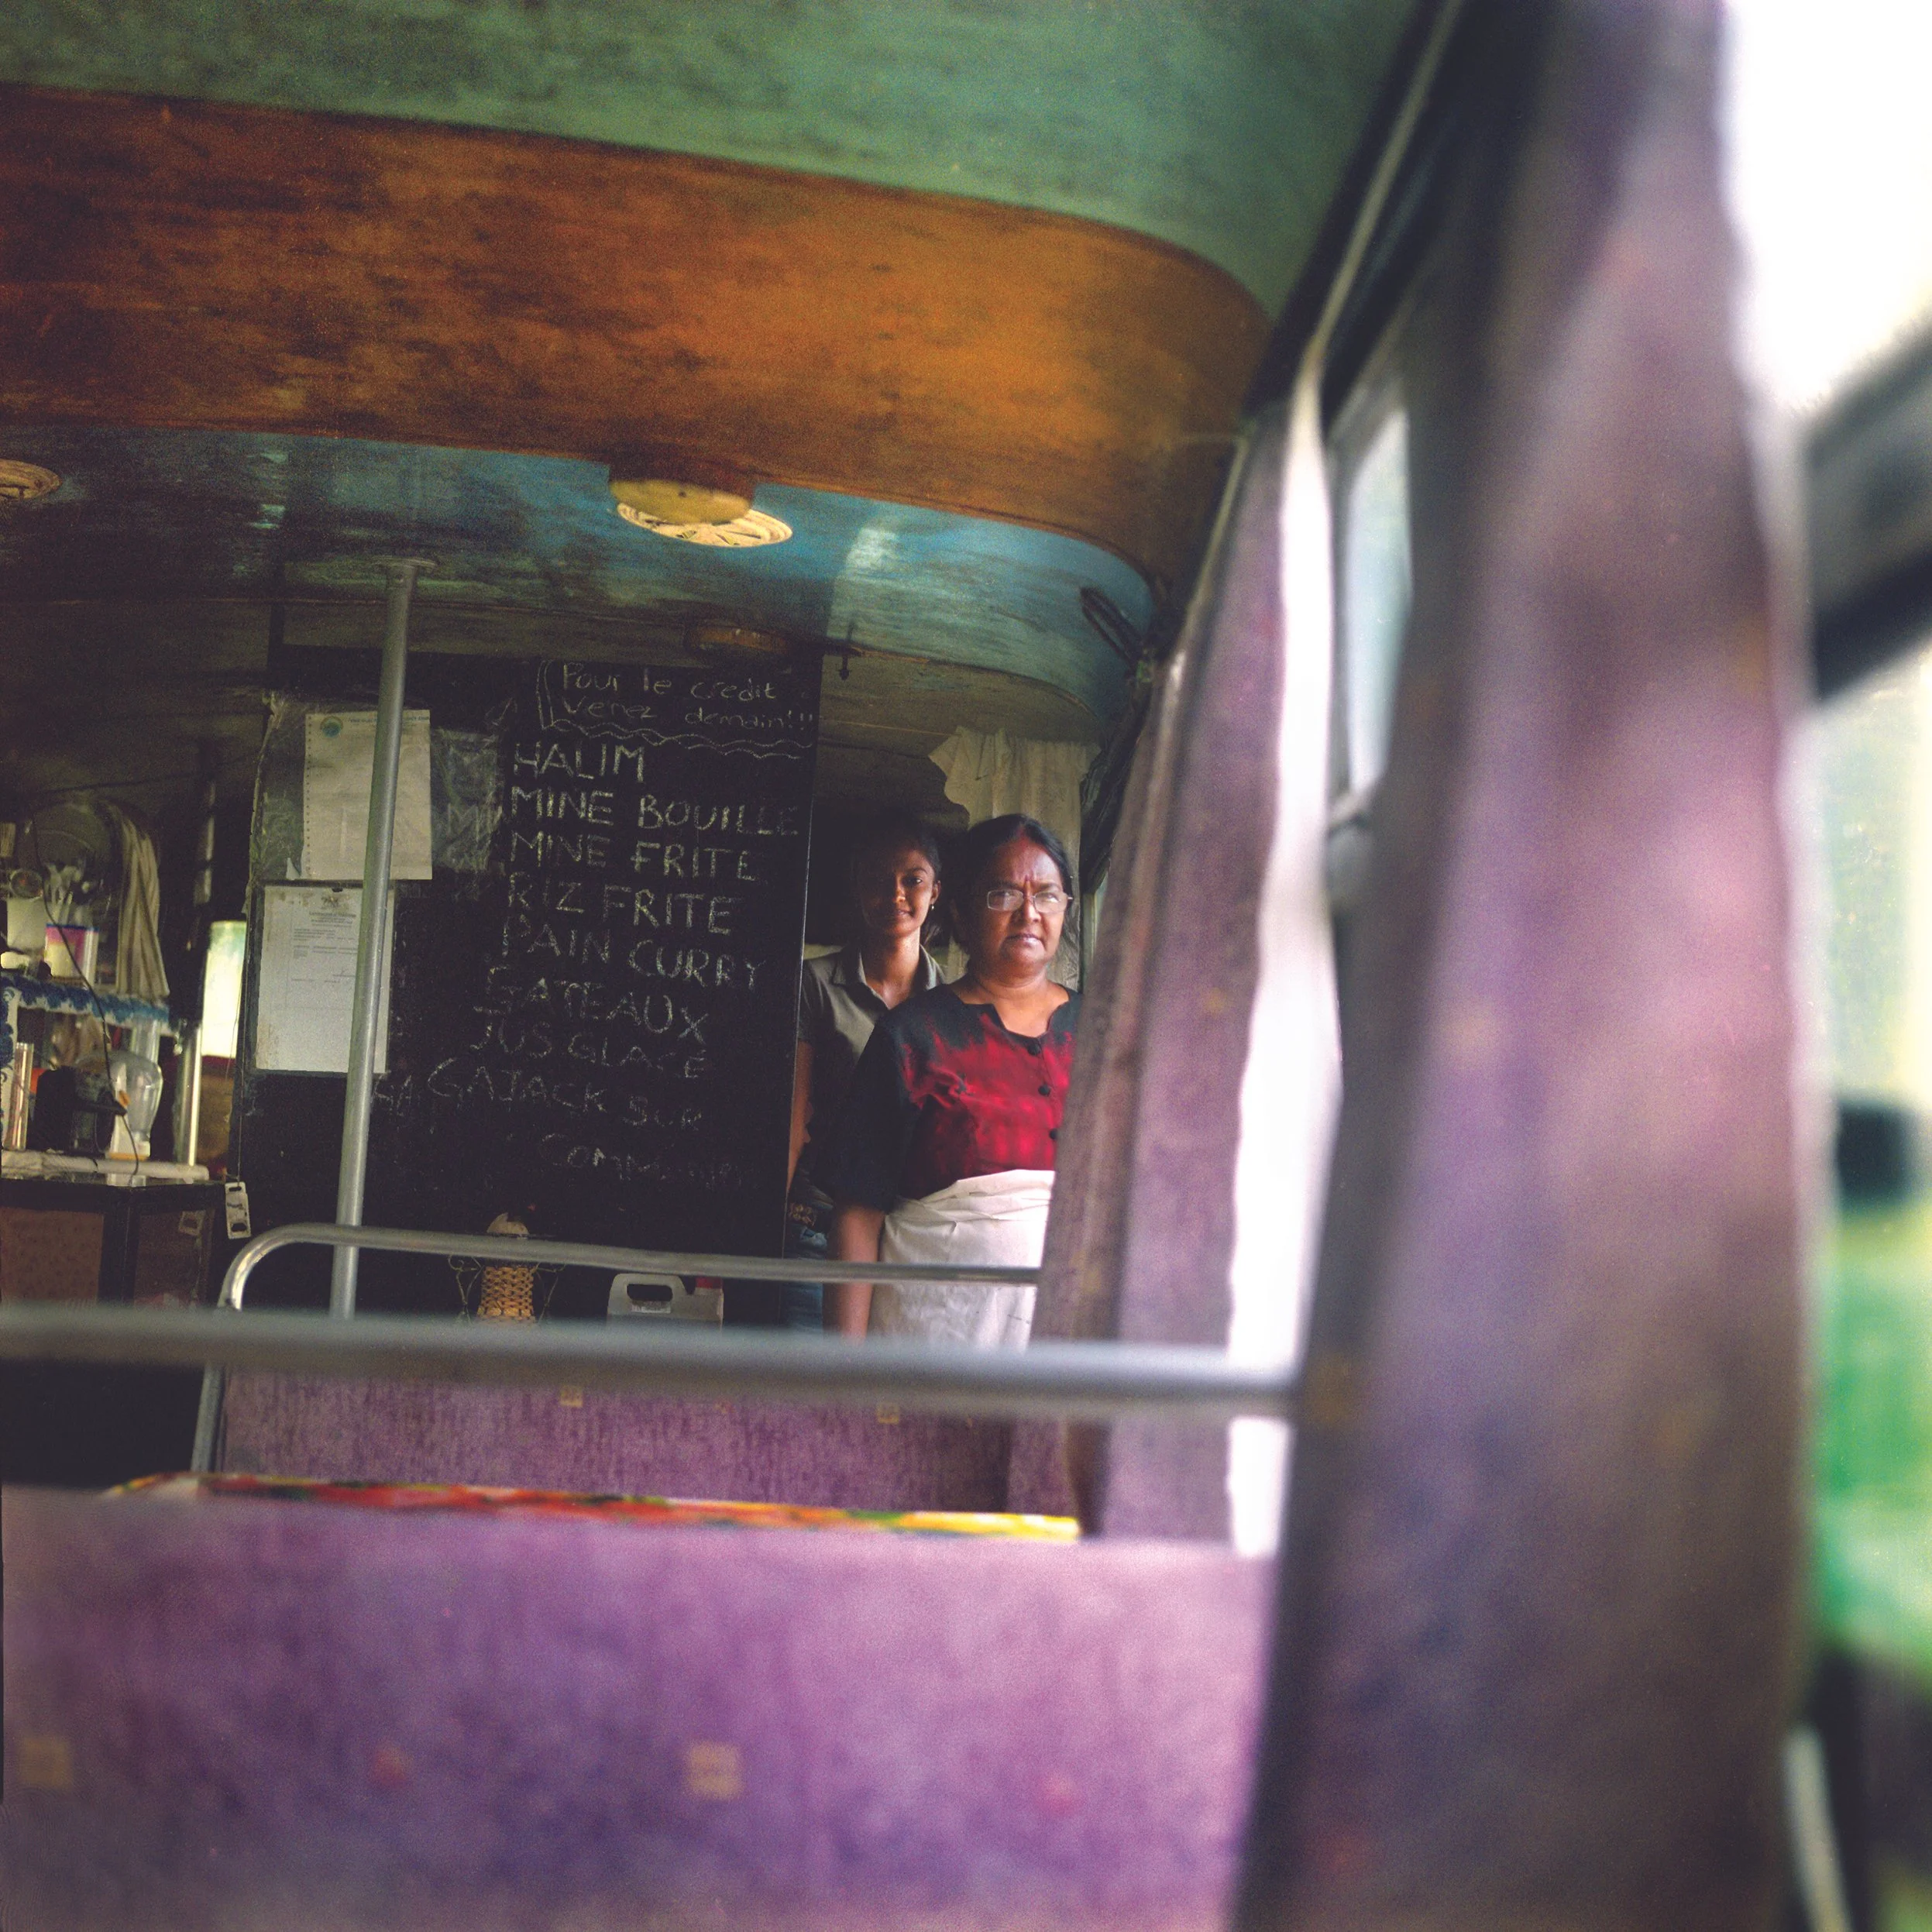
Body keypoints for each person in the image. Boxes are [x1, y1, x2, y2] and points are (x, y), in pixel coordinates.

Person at [819, 813, 1079, 1346]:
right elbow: (858, 1214)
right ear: (960, 910)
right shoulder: (913, 1036)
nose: (1029, 913)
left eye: (1047, 895)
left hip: (1076, 1353)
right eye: (1004, 895)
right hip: (937, 1343)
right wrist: (844, 1371)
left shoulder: (1104, 1032)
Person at [783, 814, 945, 1328]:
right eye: (878, 879)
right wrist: (758, 1232)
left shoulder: (951, 1004)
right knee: (808, 1375)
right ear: (858, 890)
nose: (895, 893)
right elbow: (793, 1118)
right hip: (817, 1229)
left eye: (912, 879)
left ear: (935, 892)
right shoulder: (815, 983)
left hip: (911, 1239)